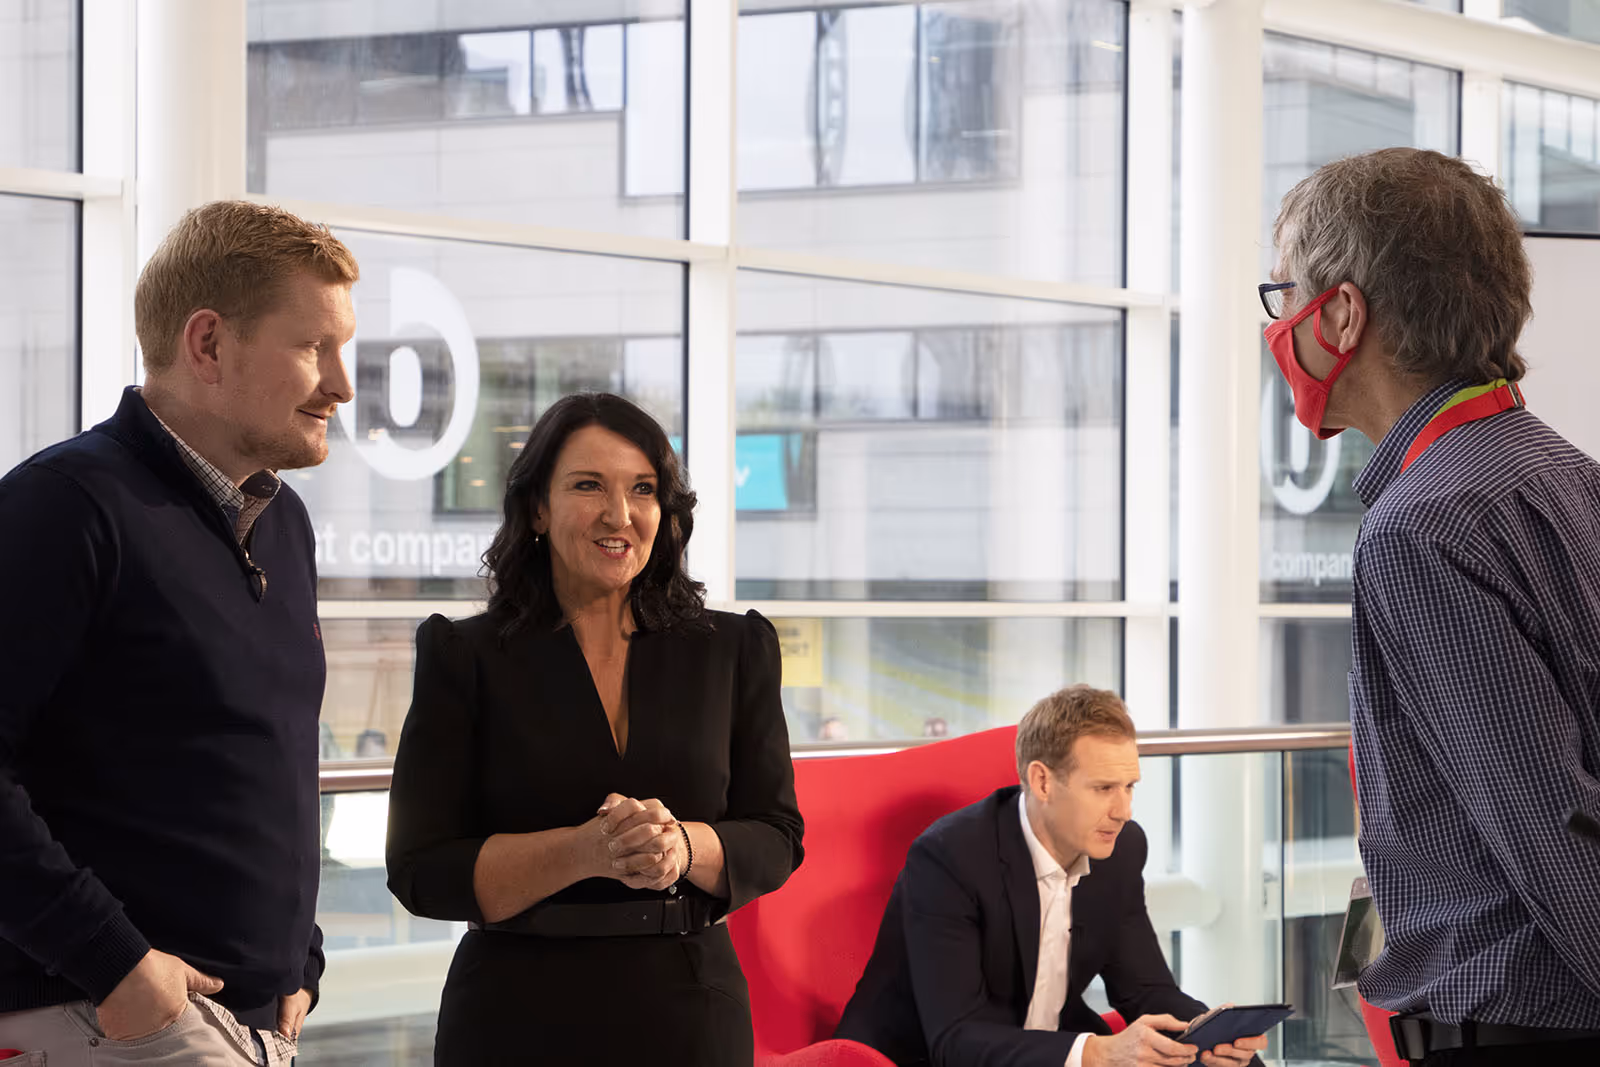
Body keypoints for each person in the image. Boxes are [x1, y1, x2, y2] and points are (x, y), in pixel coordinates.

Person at [0, 201, 358, 1063]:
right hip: (108, 1019)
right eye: (315, 347)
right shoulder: (64, 506)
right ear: (207, 344)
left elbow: (265, 759)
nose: (342, 385)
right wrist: (117, 966)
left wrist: (299, 958)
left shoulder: (284, 523)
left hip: (254, 1022)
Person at [1264, 148, 1600, 1064]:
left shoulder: (1420, 525)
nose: (1279, 324)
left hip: (1522, 1026)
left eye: (1286, 293)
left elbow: (1552, 826)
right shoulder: (1569, 474)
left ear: (1342, 313)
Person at [385, 392, 805, 1065]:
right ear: (538, 508)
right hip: (512, 1017)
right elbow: (420, 869)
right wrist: (586, 851)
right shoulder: (464, 654)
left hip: (691, 1014)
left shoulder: (734, 648)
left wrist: (680, 845)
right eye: (588, 486)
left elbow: (778, 835)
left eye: (642, 488)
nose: (620, 514)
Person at [834, 685, 1267, 1067]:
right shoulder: (949, 857)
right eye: (1103, 788)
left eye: (1129, 786)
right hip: (915, 1058)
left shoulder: (1120, 850)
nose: (1123, 811)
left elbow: (1145, 990)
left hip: (1048, 1052)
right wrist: (1098, 1054)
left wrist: (1211, 1034)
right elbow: (956, 1040)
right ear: (1042, 782)